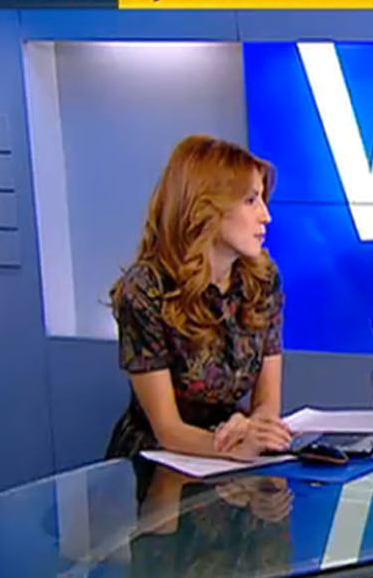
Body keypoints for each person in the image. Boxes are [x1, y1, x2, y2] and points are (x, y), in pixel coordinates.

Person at [105, 135, 292, 462]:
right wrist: (233, 447)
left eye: (262, 199)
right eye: (250, 201)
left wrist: (255, 429)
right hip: (160, 462)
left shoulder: (262, 280)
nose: (266, 216)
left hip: (234, 454)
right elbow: (167, 429)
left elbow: (266, 405)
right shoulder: (145, 290)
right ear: (206, 208)